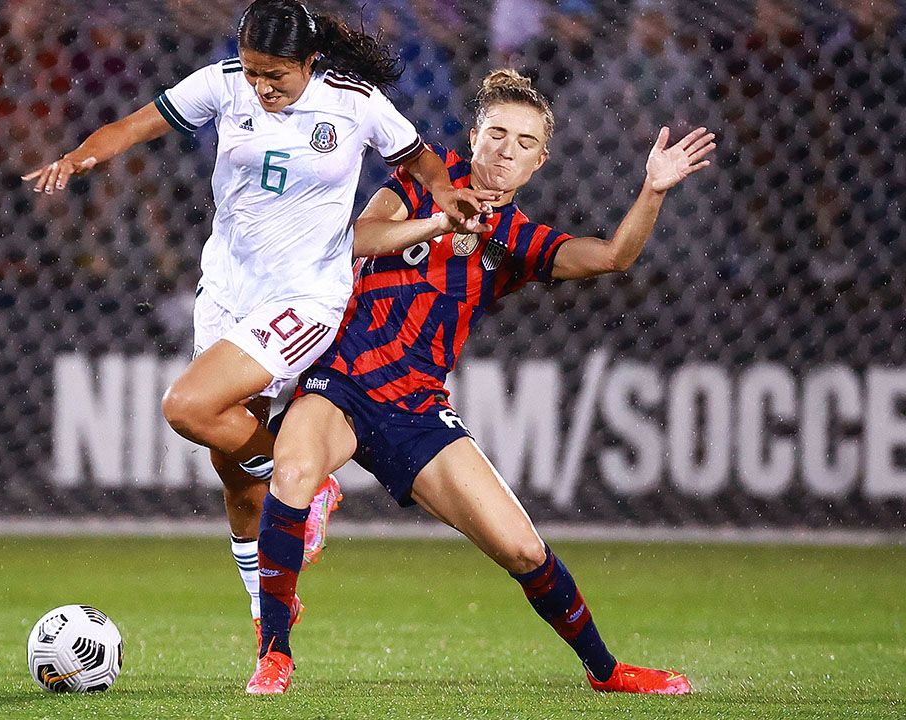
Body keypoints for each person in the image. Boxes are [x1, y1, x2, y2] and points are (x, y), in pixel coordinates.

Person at [23, 0, 495, 648]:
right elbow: (135, 126)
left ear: (310, 63)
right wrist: (81, 155)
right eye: (253, 72)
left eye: (276, 75)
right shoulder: (221, 85)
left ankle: (312, 484)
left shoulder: (353, 103)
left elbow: (420, 160)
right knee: (229, 465)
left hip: (306, 295)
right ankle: (265, 605)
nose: (263, 87)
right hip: (227, 290)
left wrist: (445, 196)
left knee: (187, 406)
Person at [247, 68, 715, 695]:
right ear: (473, 137)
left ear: (539, 162)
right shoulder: (427, 174)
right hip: (341, 382)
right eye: (497, 133)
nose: (506, 150)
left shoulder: (516, 238)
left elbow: (610, 256)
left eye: (524, 143)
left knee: (523, 552)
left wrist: (652, 191)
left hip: (418, 410)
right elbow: (358, 236)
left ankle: (606, 671)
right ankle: (274, 651)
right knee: (293, 472)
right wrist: (443, 223)